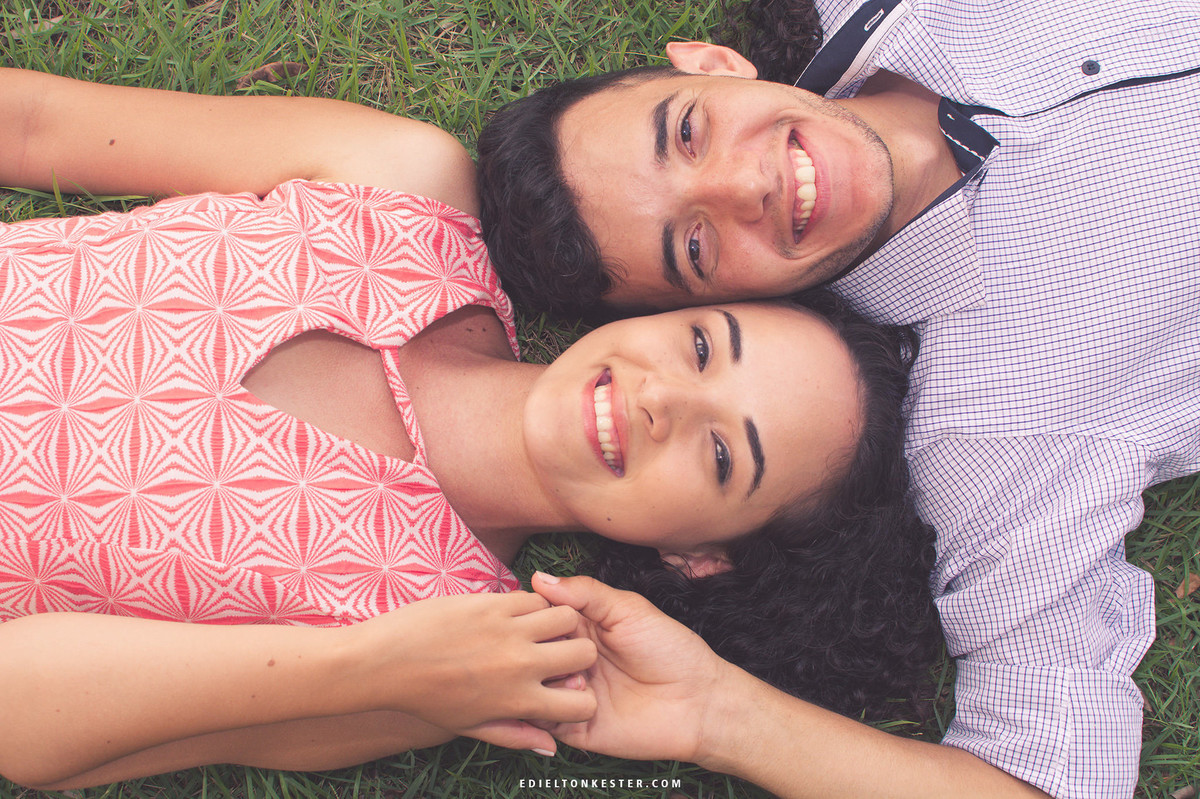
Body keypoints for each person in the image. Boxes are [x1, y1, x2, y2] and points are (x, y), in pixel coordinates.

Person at [0, 69, 940, 790]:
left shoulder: (449, 647)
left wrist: (367, 668)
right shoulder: (402, 189)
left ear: (700, 554)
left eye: (726, 453)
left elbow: (25, 728)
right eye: (702, 346)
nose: (666, 400)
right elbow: (37, 124)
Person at [475, 0, 1200, 796]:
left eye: (687, 131)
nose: (749, 182)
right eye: (695, 245)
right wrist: (724, 716)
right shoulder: (988, 432)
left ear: (711, 64)